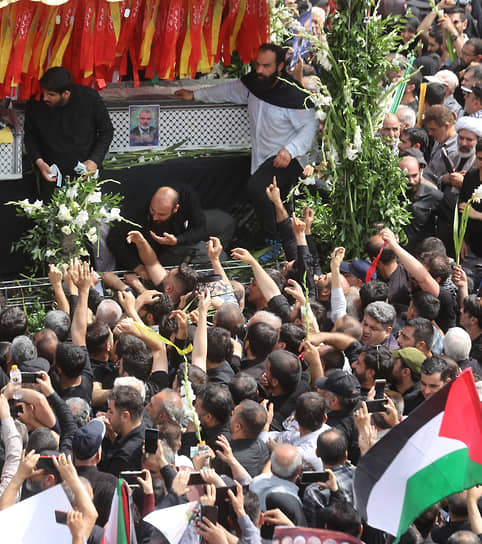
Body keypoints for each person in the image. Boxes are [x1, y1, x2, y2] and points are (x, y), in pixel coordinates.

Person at [175, 43, 318, 247]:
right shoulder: (254, 83)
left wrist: (290, 150)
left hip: (289, 159)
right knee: (275, 199)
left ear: (279, 67)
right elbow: (227, 90)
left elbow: (310, 126)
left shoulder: (294, 95)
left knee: (258, 188)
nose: (259, 70)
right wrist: (195, 95)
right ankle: (285, 243)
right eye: (257, 65)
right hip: (263, 157)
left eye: (266, 66)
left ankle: (275, 241)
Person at [23, 66, 113, 200]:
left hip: (86, 173)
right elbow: (30, 136)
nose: (45, 98)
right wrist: (39, 162)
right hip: (52, 176)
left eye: (51, 95)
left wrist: (94, 160)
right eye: (44, 92)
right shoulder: (36, 103)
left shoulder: (89, 98)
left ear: (66, 93)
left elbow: (107, 131)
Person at [398, 155, 443, 251]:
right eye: (405, 177)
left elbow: (452, 220)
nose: (411, 181)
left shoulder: (434, 196)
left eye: (414, 176)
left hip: (423, 255)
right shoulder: (390, 194)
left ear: (420, 172)